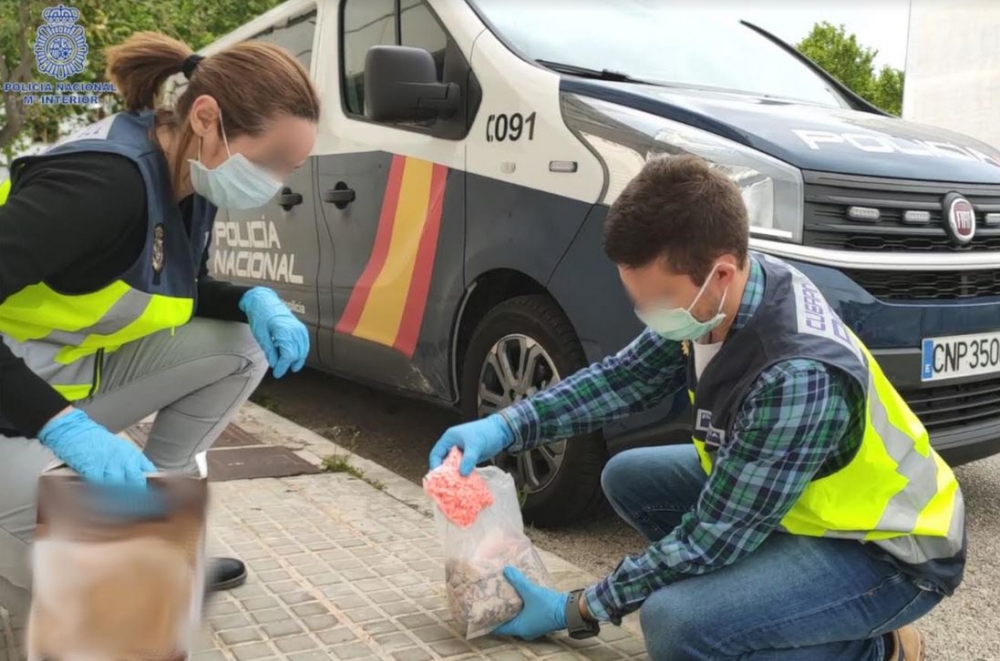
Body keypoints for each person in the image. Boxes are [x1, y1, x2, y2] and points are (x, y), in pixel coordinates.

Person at [429, 155, 965, 661]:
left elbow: (712, 538)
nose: (646, 314)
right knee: (628, 476)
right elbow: (621, 380)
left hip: (886, 553)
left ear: (722, 274)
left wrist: (576, 609)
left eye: (656, 302)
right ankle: (773, 601)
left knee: (678, 624)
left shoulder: (796, 376)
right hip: (796, 506)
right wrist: (506, 425)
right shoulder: (722, 296)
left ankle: (874, 646)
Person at [0, 31, 320, 620]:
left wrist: (253, 297)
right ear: (206, 117)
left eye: (288, 169)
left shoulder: (193, 179)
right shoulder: (101, 186)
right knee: (97, 594)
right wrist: (59, 424)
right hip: (15, 397)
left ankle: (150, 521)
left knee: (244, 341)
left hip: (59, 377)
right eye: (272, 161)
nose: (274, 183)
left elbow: (184, 287)